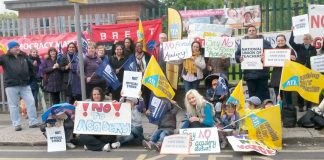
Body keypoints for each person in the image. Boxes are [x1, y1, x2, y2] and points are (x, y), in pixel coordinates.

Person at [0, 41, 39, 131]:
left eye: (18, 46)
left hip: (25, 84)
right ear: (10, 48)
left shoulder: (24, 56)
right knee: (14, 105)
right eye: (15, 47)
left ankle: (33, 122)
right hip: (11, 85)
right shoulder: (4, 57)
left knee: (31, 102)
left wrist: (32, 72)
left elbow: (31, 67)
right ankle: (17, 124)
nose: (17, 48)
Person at [235, 25, 272, 102]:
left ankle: (265, 111)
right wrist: (239, 58)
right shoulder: (243, 43)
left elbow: (270, 53)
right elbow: (237, 55)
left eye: (253, 30)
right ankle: (254, 111)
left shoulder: (264, 42)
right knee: (252, 96)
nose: (252, 32)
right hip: (249, 75)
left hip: (262, 73)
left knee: (264, 94)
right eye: (250, 31)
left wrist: (265, 57)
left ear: (256, 32)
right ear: (247, 33)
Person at [79, 87, 117, 152]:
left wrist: (116, 103)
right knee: (82, 137)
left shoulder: (107, 103)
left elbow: (117, 108)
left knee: (111, 136)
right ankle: (103, 146)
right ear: (92, 95)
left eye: (98, 94)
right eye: (94, 94)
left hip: (104, 132)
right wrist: (76, 105)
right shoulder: (87, 102)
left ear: (101, 95)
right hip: (91, 132)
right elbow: (79, 107)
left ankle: (90, 146)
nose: (96, 96)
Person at [289, 29, 317, 112]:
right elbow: (291, 41)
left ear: (311, 40)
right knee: (300, 89)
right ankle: (300, 106)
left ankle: (308, 106)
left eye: (307, 39)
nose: (305, 40)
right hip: (300, 71)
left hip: (309, 71)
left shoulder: (313, 49)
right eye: (304, 39)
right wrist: (292, 31)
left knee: (309, 89)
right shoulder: (299, 47)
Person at [270, 34, 296, 109]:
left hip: (287, 76)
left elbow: (295, 64)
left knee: (288, 95)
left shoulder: (290, 50)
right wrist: (263, 60)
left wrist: (294, 59)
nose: (280, 42)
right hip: (277, 76)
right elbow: (268, 64)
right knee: (278, 95)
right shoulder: (272, 51)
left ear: (285, 41)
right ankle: (279, 111)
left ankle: (289, 111)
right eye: (278, 41)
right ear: (276, 42)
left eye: (282, 40)